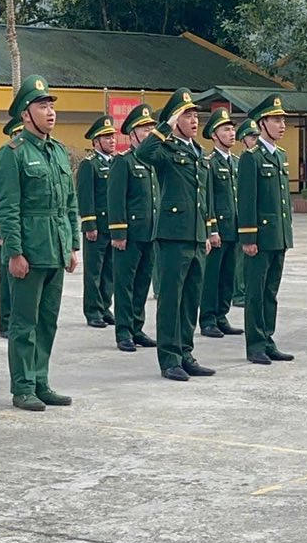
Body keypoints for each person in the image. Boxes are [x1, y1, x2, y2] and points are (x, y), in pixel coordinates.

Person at [0, 76, 81, 411]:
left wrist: (72, 245)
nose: (50, 111)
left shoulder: (58, 152)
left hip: (55, 249)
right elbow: (6, 208)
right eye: (42, 106)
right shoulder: (12, 154)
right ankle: (23, 386)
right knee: (24, 323)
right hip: (29, 250)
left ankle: (41, 380)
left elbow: (70, 202)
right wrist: (14, 252)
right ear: (25, 115)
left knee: (47, 321)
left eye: (51, 105)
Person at [136, 88, 218, 380]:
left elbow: (204, 197)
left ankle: (186, 352)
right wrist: (164, 127)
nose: (194, 120)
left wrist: (208, 231)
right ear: (175, 119)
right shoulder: (166, 150)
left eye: (196, 114)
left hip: (196, 236)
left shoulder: (199, 153)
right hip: (172, 236)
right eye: (187, 115)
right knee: (171, 299)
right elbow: (142, 153)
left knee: (191, 299)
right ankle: (169, 358)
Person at [235, 96, 295, 366]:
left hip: (278, 236)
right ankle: (255, 344)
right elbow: (247, 200)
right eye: (276, 120)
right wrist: (248, 237)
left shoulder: (280, 156)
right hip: (259, 236)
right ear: (262, 124)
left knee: (271, 291)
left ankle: (268, 339)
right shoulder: (251, 158)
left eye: (283, 120)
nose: (282, 125)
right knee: (256, 293)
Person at [106, 103, 161, 354]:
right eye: (144, 128)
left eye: (151, 127)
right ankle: (124, 332)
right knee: (125, 285)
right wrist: (118, 232)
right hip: (128, 235)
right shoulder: (123, 162)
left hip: (150, 233)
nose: (149, 132)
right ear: (133, 134)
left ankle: (137, 328)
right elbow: (115, 199)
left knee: (142, 283)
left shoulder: (153, 162)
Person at [198, 107, 240, 339]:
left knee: (228, 276)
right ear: (214, 135)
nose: (232, 133)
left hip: (234, 228)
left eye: (232, 129)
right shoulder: (209, 162)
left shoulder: (236, 161)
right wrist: (211, 229)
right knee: (212, 277)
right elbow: (208, 198)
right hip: (219, 230)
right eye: (226, 129)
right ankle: (207, 319)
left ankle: (222, 315)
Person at [76, 114, 118, 329]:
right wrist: (89, 224)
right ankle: (92, 311)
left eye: (112, 137)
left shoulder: (117, 163)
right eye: (106, 137)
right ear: (96, 142)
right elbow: (86, 196)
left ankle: (105, 307)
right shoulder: (89, 165)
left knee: (109, 270)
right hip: (97, 227)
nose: (112, 140)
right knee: (94, 271)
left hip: (114, 226)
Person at [0, 115, 24, 339]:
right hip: (6, 231)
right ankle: (5, 322)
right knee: (6, 276)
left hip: (25, 229)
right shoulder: (3, 160)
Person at [231, 120, 258, 310]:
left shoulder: (240, 161)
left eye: (257, 136)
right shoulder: (241, 160)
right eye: (252, 137)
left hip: (245, 215)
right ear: (244, 140)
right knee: (236, 259)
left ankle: (244, 290)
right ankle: (238, 292)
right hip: (231, 216)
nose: (255, 140)